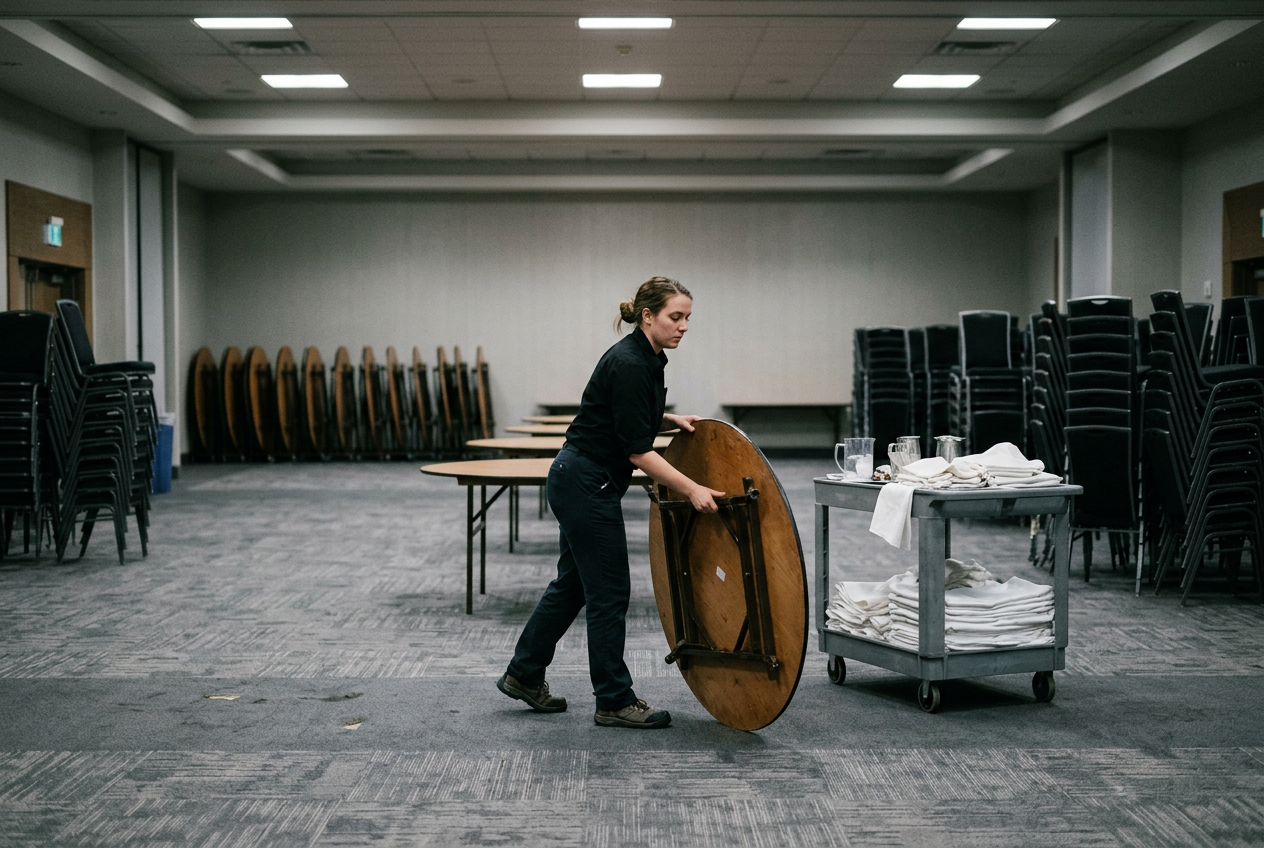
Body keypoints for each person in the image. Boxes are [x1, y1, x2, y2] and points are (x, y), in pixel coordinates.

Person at [497, 276, 724, 729]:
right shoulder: (629, 362)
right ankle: (614, 699)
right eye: (674, 317)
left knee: (574, 585)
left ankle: (523, 674)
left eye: (687, 318)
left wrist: (667, 417)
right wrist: (692, 489)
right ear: (647, 317)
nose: (683, 327)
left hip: (578, 477)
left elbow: (622, 414)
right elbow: (637, 452)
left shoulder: (648, 356)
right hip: (585, 482)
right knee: (609, 592)